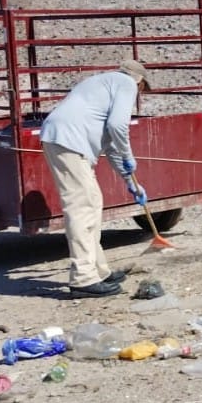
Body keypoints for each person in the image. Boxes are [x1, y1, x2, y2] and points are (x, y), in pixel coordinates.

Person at [40, 60, 151, 298]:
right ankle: (83, 278)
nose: (139, 94)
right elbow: (118, 126)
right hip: (69, 141)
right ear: (139, 81)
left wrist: (132, 182)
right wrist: (129, 156)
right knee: (81, 207)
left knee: (93, 203)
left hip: (63, 139)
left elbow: (110, 145)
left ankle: (98, 270)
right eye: (142, 89)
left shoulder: (103, 84)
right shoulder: (126, 83)